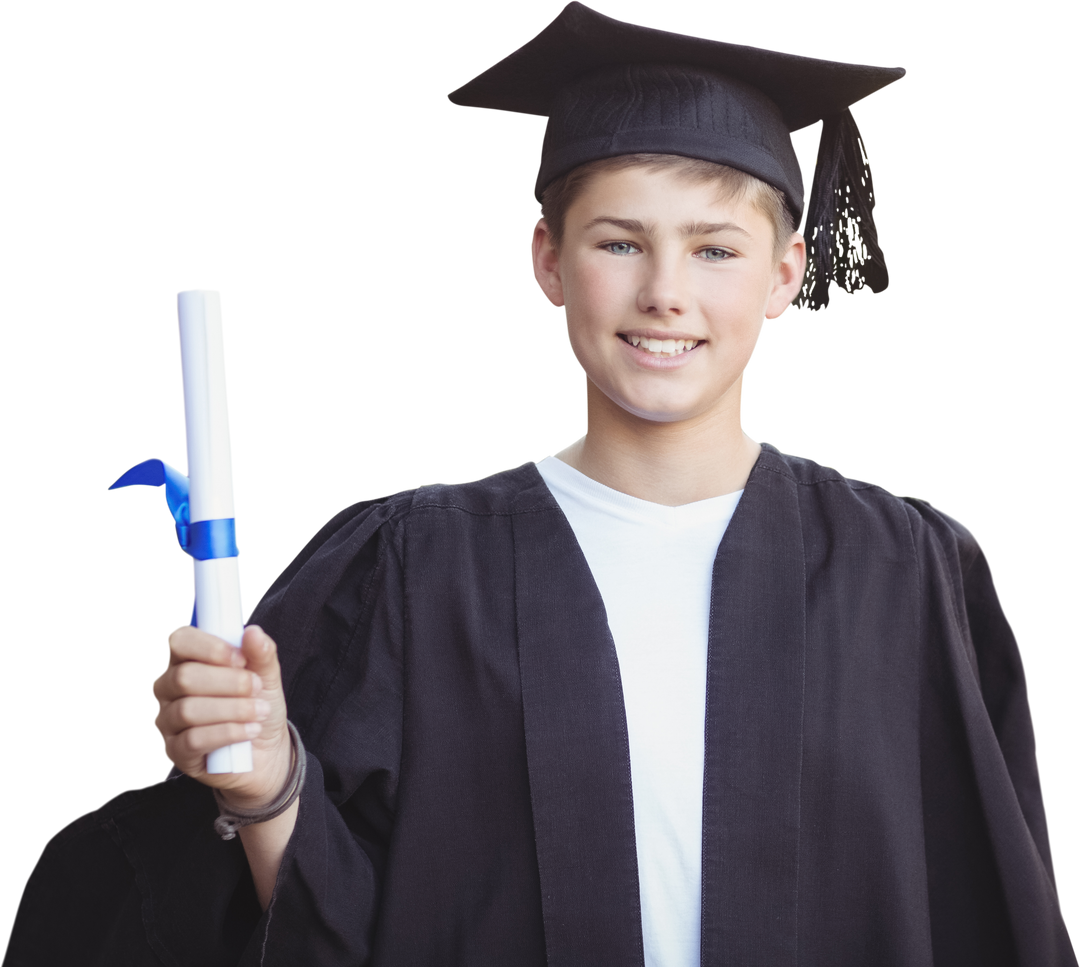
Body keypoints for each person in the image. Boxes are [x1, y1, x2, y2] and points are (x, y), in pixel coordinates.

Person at [6, 3, 1076, 965]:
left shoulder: (912, 570)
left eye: (714, 249)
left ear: (784, 273)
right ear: (549, 260)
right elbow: (328, 922)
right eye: (620, 241)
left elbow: (990, 911)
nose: (665, 293)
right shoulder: (408, 565)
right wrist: (267, 782)